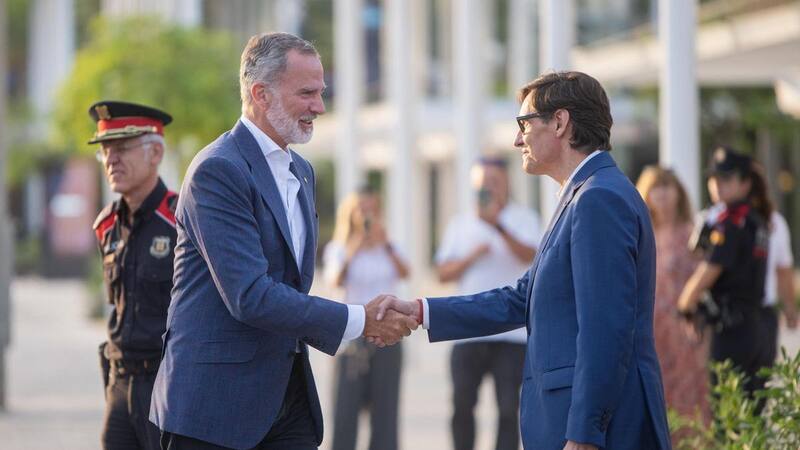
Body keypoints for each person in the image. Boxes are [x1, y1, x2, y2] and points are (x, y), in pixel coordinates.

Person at [371, 71, 671, 450]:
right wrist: (418, 311)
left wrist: (584, 435)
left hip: (596, 433)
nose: (517, 140)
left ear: (560, 122)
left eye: (524, 123)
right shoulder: (584, 194)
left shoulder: (598, 199)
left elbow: (605, 332)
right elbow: (521, 297)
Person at [149, 32, 417, 450]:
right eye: (307, 93)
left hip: (285, 404)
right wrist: (360, 319)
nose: (320, 107)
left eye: (321, 92)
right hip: (214, 411)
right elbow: (250, 295)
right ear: (261, 94)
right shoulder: (218, 170)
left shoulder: (302, 172)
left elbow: (291, 285)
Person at [435, 157, 540, 450]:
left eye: (494, 181)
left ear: (506, 182)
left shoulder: (524, 218)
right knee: (461, 404)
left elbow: (530, 257)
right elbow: (442, 272)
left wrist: (499, 227)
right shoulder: (461, 223)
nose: (488, 188)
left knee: (508, 409)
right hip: (467, 330)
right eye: (482, 183)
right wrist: (471, 257)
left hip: (512, 333)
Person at [89, 100, 177, 450]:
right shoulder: (106, 225)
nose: (111, 159)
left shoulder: (182, 220)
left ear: (155, 153)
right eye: (106, 151)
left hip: (167, 383)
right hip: (119, 382)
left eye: (122, 149)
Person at [677, 147, 772, 398]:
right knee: (751, 416)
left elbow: (706, 274)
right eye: (713, 178)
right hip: (756, 327)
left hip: (732, 330)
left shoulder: (730, 223)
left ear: (745, 183)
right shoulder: (755, 219)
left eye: (726, 178)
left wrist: (686, 306)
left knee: (727, 417)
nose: (717, 185)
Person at [323, 186, 410, 450]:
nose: (367, 215)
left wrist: (385, 244)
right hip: (352, 338)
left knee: (386, 415)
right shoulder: (339, 248)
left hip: (387, 337)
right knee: (345, 413)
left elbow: (405, 272)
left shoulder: (389, 246)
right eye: (362, 209)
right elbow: (335, 280)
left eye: (372, 209)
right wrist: (354, 247)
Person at [636, 167, 709, 426]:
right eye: (656, 187)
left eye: (668, 186)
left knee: (690, 394)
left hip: (683, 327)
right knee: (656, 392)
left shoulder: (692, 233)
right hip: (650, 327)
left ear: (679, 192)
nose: (662, 194)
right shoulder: (639, 233)